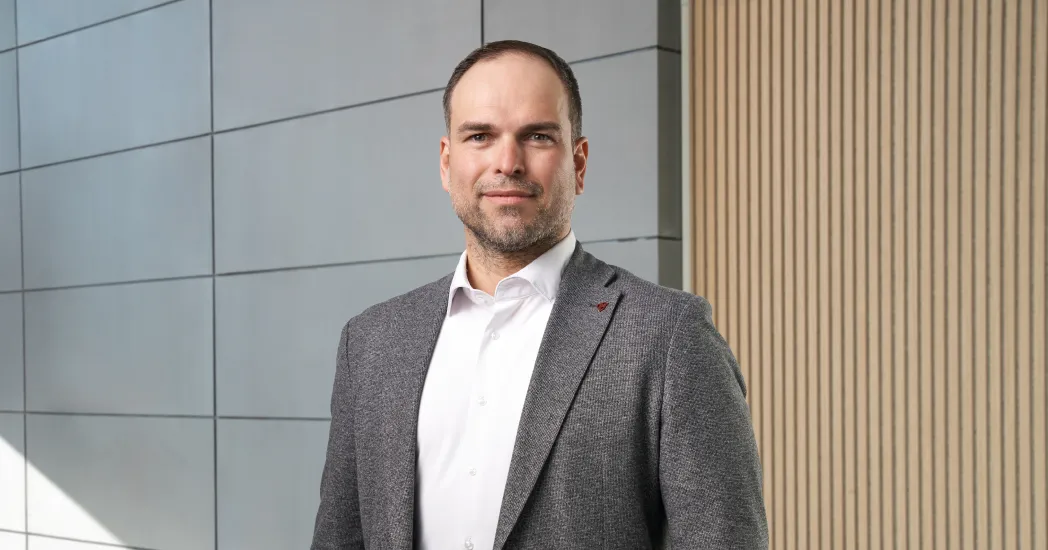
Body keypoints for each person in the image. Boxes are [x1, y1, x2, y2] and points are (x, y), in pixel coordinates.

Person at [310, 39, 768, 550]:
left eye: (538, 136)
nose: (508, 162)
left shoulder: (670, 336)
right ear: (446, 162)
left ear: (580, 162)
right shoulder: (371, 343)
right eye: (480, 135)